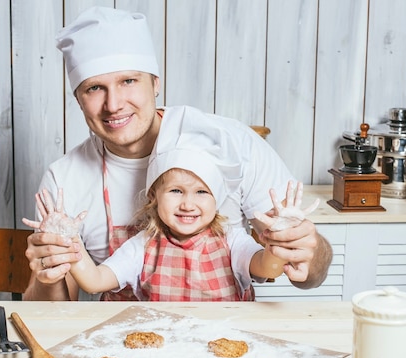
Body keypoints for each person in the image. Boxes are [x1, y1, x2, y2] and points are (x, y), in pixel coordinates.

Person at [23, 6, 333, 301]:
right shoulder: (63, 182)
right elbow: (57, 309)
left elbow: (299, 269)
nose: (114, 104)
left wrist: (307, 250)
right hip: (128, 341)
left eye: (128, 81)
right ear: (78, 99)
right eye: (94, 88)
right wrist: (48, 273)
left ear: (155, 83)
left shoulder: (231, 143)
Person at [23, 145, 315, 301]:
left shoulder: (232, 240)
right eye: (176, 191)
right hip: (159, 349)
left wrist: (279, 238)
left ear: (218, 201)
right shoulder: (143, 247)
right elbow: (95, 282)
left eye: (202, 192)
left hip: (225, 344)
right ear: (154, 197)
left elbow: (269, 267)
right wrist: (68, 240)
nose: (188, 203)